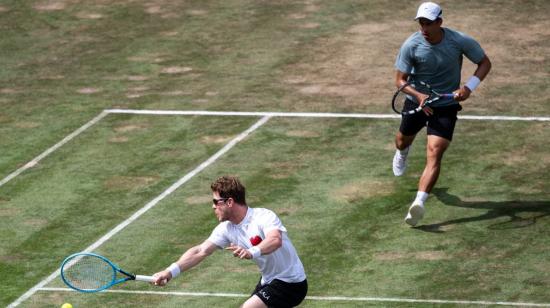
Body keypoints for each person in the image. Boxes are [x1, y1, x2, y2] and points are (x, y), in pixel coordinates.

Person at [392, 2, 491, 226]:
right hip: (417, 102)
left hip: (445, 105)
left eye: (428, 23)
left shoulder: (459, 41)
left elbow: (484, 62)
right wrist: (418, 96)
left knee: (435, 151)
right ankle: (403, 151)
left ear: (439, 22)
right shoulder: (411, 45)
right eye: (421, 23)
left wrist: (468, 87)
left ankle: (419, 202)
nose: (424, 28)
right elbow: (400, 80)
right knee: (400, 141)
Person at [151, 176, 308, 308]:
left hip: (291, 282)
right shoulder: (226, 228)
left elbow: (275, 240)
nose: (213, 207)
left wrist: (251, 251)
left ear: (229, 202)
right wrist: (169, 272)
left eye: (216, 201)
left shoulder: (263, 216)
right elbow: (200, 251)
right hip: (269, 281)